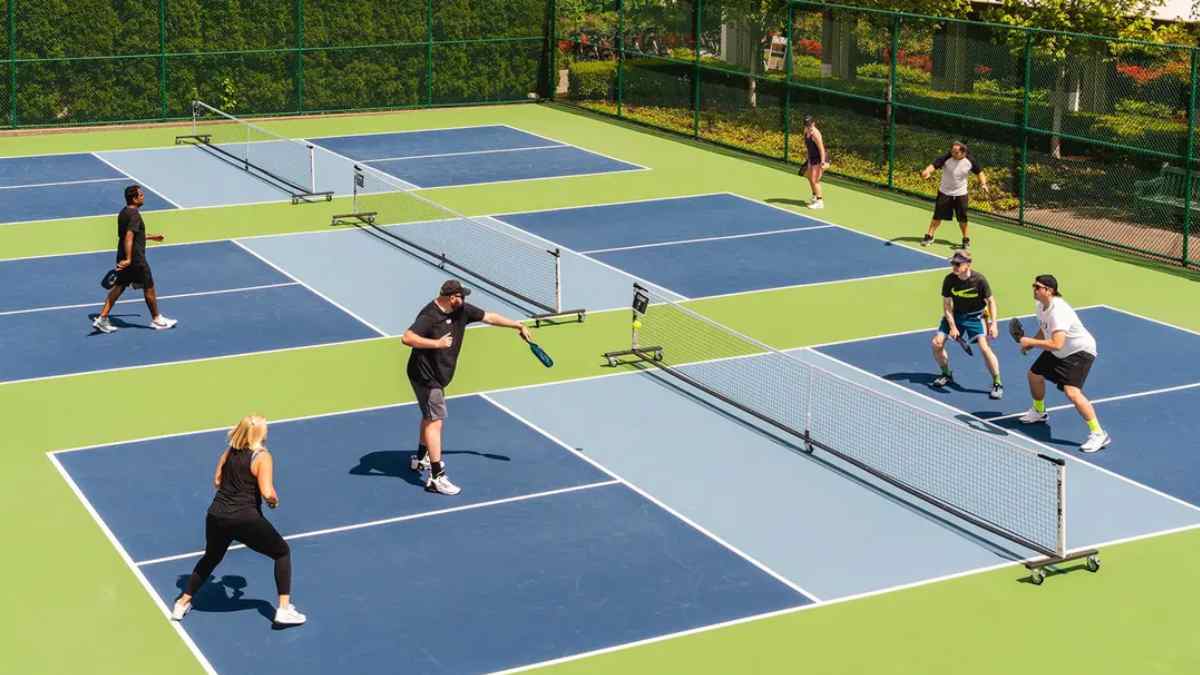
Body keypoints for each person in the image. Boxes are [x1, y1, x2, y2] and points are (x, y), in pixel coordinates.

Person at [171, 415, 305, 626]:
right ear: (260, 433)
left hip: (216, 515)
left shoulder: (229, 452)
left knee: (211, 557)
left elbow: (217, 481)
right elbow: (267, 492)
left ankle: (181, 603)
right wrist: (273, 501)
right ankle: (284, 610)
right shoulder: (262, 457)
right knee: (282, 552)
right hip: (245, 519)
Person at [402, 280, 532, 495]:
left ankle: (421, 457)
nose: (463, 300)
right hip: (426, 376)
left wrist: (517, 325)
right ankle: (436, 477)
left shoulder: (461, 310)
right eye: (461, 296)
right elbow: (407, 338)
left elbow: (489, 317)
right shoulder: (430, 316)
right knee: (435, 421)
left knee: (429, 416)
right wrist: (437, 344)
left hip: (437, 374)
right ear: (451, 297)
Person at [1017, 275, 1110, 453]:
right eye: (1033, 286)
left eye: (1038, 287)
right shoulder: (1040, 306)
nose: (1034, 289)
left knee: (1072, 392)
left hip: (1079, 351)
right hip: (1060, 350)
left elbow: (1056, 343)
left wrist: (1030, 341)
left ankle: (1099, 433)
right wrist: (1031, 343)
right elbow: (1045, 329)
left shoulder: (1058, 310)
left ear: (1049, 291)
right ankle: (1039, 411)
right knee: (1034, 375)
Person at [92, 185, 177, 333]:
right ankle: (157, 319)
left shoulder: (124, 213)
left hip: (124, 256)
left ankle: (102, 318)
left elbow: (131, 235)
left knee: (119, 286)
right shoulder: (135, 215)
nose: (143, 197)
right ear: (135, 198)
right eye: (141, 195)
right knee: (149, 286)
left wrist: (152, 237)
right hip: (136, 259)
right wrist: (130, 258)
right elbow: (130, 236)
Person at [931, 249, 1003, 399]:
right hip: (955, 315)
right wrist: (952, 327)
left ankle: (997, 382)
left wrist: (994, 324)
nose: (954, 266)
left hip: (975, 317)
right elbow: (946, 305)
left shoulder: (979, 280)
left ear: (968, 264)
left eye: (958, 264)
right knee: (937, 343)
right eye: (953, 263)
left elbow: (991, 301)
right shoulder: (949, 279)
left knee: (984, 348)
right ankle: (946, 374)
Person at [919, 141, 989, 250]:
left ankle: (965, 239)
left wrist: (983, 184)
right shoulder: (947, 157)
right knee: (937, 216)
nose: (953, 153)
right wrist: (927, 172)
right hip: (944, 192)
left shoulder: (970, 161)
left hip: (961, 194)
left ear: (963, 152)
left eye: (956, 152)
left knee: (962, 219)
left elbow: (980, 172)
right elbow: (934, 165)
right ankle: (929, 236)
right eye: (952, 151)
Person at [796, 115, 830, 209]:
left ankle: (820, 202)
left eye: (810, 125)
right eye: (807, 125)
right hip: (813, 157)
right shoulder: (806, 131)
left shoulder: (815, 134)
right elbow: (809, 147)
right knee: (807, 175)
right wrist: (809, 160)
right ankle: (815, 196)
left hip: (821, 158)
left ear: (813, 123)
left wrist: (823, 162)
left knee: (815, 179)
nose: (808, 127)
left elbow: (821, 149)